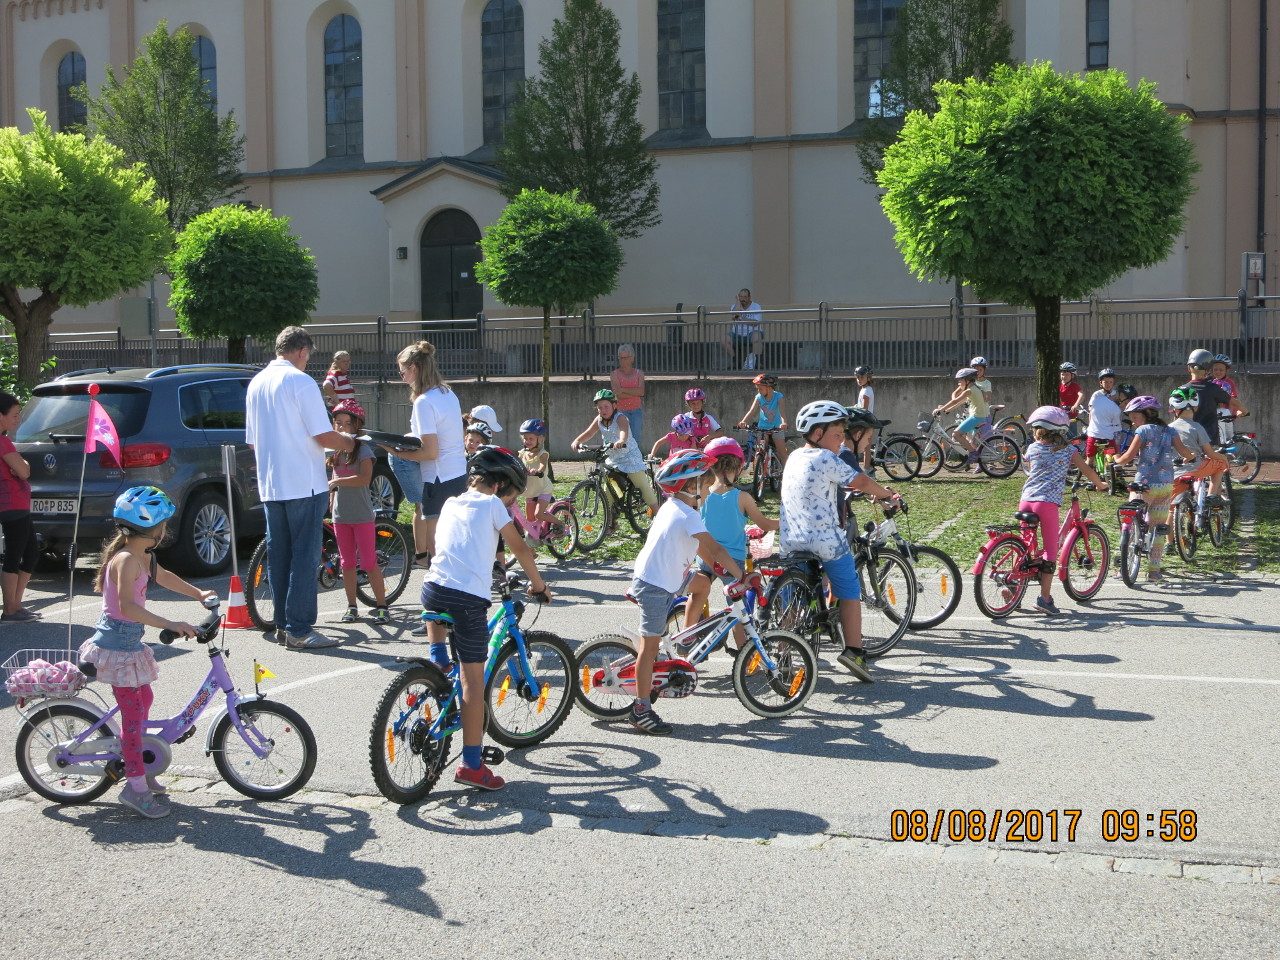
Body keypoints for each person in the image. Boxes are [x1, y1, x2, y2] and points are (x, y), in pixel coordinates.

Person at [78, 486, 217, 818]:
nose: (165, 529)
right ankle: (134, 787)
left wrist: (197, 593)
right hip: (116, 645)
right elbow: (128, 607)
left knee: (145, 702)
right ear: (152, 528)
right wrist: (171, 622)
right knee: (133, 716)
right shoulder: (125, 560)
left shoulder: (143, 556)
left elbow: (164, 577)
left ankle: (141, 765)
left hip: (128, 642)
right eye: (163, 524)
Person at [420, 447, 551, 790]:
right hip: (466, 600)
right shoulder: (493, 504)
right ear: (500, 486)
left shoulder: (452, 502)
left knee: (437, 597)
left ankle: (437, 659)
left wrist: (491, 564)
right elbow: (519, 547)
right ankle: (472, 764)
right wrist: (538, 585)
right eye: (511, 498)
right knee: (473, 683)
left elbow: (463, 541)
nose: (509, 504)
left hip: (432, 588)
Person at [246, 326, 357, 650]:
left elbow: (253, 443)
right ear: (302, 351)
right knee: (304, 558)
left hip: (271, 484)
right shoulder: (300, 382)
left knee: (279, 557)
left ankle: (284, 624)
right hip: (303, 483)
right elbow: (324, 436)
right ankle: (299, 628)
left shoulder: (257, 383)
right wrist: (349, 442)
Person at [627, 450, 745, 735]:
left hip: (670, 575)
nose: (708, 490)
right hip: (656, 585)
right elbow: (715, 549)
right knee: (649, 648)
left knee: (702, 584)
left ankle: (687, 635)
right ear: (690, 487)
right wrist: (742, 574)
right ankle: (641, 709)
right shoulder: (686, 514)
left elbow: (703, 550)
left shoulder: (674, 507)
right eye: (704, 485)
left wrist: (723, 572)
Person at [780, 401, 897, 682]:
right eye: (837, 434)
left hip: (790, 539)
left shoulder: (795, 456)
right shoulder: (825, 457)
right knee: (849, 588)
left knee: (790, 601)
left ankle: (782, 650)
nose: (842, 439)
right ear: (817, 433)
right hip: (825, 541)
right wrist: (886, 495)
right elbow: (861, 481)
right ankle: (853, 651)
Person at [377, 341, 467, 571]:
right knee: (452, 540)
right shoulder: (447, 392)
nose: (401, 376)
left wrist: (398, 452)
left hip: (437, 477)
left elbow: (430, 452)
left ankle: (444, 596)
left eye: (403, 371)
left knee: (437, 549)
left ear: (415, 369)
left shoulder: (424, 402)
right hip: (457, 473)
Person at [682, 437, 778, 651]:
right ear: (738, 466)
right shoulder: (742, 497)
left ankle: (687, 634)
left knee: (698, 593)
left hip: (706, 556)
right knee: (738, 606)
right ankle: (742, 650)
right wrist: (787, 523)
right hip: (731, 561)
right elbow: (764, 523)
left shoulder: (703, 494)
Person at [1017, 407, 1109, 614]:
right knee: (1050, 551)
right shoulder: (1068, 451)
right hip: (1046, 503)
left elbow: (1033, 469)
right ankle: (1045, 599)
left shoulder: (1031, 449)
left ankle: (1013, 588)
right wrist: (1101, 484)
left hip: (1026, 501)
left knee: (1025, 546)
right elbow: (1086, 470)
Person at [1112, 395, 1196, 582]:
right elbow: (1184, 451)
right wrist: (1190, 458)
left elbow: (1128, 457)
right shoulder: (1170, 430)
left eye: (1135, 417)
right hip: (1166, 485)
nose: (1133, 423)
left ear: (1147, 414)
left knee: (1131, 524)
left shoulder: (1143, 430)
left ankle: (1124, 567)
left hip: (1144, 485)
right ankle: (1154, 571)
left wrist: (1116, 459)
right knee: (1158, 528)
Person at [327, 399, 388, 625]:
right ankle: (352, 607)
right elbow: (334, 484)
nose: (342, 428)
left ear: (356, 426)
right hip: (341, 516)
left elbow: (364, 478)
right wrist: (331, 499)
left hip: (362, 515)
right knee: (347, 563)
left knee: (369, 562)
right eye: (338, 423)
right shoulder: (335, 451)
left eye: (347, 424)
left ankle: (382, 605)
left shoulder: (363, 449)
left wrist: (336, 482)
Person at [570, 389, 658, 512]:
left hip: (629, 457)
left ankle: (658, 513)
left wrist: (621, 441)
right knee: (609, 490)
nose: (603, 410)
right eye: (600, 407)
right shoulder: (599, 419)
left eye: (606, 406)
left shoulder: (620, 418)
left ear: (614, 405)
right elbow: (589, 432)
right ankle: (611, 522)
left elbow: (624, 432)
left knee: (642, 485)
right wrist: (577, 441)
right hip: (613, 458)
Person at [1180, 349, 1244, 500]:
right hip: (1209, 439)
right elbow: (1233, 401)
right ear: (1209, 371)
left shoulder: (1181, 390)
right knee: (1220, 464)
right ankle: (1211, 496)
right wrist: (1244, 410)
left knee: (1187, 466)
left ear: (1188, 368)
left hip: (1186, 440)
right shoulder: (1214, 388)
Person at [0, 392, 38, 622]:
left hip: (16, 504)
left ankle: (16, 605)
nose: (18, 420)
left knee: (31, 553)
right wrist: (22, 465)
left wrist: (21, 465)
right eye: (14, 415)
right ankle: (11, 609)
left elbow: (22, 468)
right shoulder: (2, 442)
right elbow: (24, 471)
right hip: (11, 503)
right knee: (16, 554)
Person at [1168, 388, 1229, 515]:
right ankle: (1211, 497)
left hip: (1175, 472)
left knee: (1172, 509)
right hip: (1197, 467)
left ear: (1175, 409)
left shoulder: (1169, 428)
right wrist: (1223, 457)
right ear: (1196, 408)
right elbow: (1210, 453)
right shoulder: (1196, 427)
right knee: (1219, 464)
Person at [932, 367, 987, 472]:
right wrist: (948, 409)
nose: (959, 383)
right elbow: (961, 402)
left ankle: (973, 453)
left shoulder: (969, 390)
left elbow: (955, 400)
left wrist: (940, 409)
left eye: (961, 380)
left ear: (967, 380)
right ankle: (974, 452)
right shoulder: (974, 389)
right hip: (978, 416)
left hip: (976, 417)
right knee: (969, 438)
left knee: (956, 434)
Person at [736, 373, 789, 467]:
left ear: (768, 388)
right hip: (762, 428)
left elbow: (782, 412)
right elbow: (752, 411)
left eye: (760, 388)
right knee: (759, 451)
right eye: (757, 388)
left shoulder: (778, 397)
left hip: (777, 428)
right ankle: (760, 472)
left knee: (782, 454)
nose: (758, 391)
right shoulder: (759, 397)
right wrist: (743, 421)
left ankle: (787, 476)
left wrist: (784, 423)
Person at [517, 418, 559, 531]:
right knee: (530, 518)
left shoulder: (542, 454)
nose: (527, 441)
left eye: (531, 438)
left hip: (543, 489)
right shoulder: (522, 453)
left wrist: (538, 471)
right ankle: (536, 537)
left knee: (538, 514)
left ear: (539, 439)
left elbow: (542, 465)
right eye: (525, 438)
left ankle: (559, 523)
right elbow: (516, 463)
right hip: (530, 491)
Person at [610, 344, 646, 451]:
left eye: (625, 358)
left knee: (636, 438)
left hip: (636, 410)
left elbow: (641, 392)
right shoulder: (614, 374)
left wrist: (623, 389)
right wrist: (633, 392)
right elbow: (617, 394)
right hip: (621, 411)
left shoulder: (639, 373)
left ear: (632, 358)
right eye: (620, 358)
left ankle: (636, 461)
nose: (622, 360)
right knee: (622, 438)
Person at [1086, 368, 1124, 461]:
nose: (1108, 384)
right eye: (1106, 382)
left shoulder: (1116, 394)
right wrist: (1090, 424)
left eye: (1111, 382)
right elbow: (1091, 410)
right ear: (1101, 383)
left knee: (1115, 448)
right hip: (1098, 427)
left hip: (1113, 426)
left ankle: (1117, 468)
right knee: (1091, 454)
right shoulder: (1097, 395)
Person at [722, 288, 763, 370]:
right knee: (723, 340)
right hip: (736, 333)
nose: (742, 299)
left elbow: (755, 323)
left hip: (752, 332)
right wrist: (737, 302)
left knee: (757, 337)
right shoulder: (735, 306)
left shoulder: (756, 306)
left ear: (749, 297)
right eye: (740, 297)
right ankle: (735, 360)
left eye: (745, 297)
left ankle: (757, 361)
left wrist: (742, 319)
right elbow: (734, 316)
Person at [1210, 354, 1246, 444]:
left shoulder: (1229, 383)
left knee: (1229, 439)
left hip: (1227, 416)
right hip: (1215, 416)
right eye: (1215, 369)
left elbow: (1233, 399)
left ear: (1227, 371)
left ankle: (1232, 457)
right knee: (1219, 439)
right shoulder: (1210, 383)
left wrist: (1233, 413)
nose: (1218, 372)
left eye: (1221, 370)